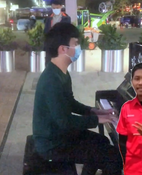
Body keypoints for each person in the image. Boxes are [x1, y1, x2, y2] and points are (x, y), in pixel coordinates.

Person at [32, 22, 123, 175]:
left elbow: (71, 103)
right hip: (52, 144)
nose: (79, 48)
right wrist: (97, 120)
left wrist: (95, 111)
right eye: (76, 43)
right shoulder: (51, 80)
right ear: (63, 49)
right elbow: (65, 122)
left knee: (102, 142)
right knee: (113, 158)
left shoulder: (60, 73)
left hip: (58, 135)